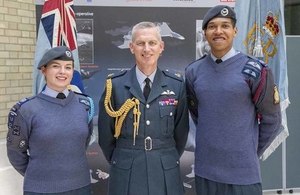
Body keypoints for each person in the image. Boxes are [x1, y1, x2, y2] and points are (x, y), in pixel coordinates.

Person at [185, 5, 282, 195]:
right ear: (204, 32)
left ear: (235, 31)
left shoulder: (255, 71)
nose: (218, 31)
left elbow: (272, 121)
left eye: (225, 26)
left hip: (243, 176)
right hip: (206, 174)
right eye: (212, 26)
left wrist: (247, 150)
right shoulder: (193, 72)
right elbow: (199, 115)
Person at [98, 21, 189, 195]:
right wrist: (123, 158)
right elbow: (105, 136)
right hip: (127, 170)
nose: (146, 49)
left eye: (152, 43)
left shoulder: (176, 85)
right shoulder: (115, 85)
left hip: (164, 169)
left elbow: (181, 133)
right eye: (140, 43)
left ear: (161, 47)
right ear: (131, 47)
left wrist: (165, 156)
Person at [6, 46, 94, 195]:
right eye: (55, 66)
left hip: (81, 187)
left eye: (68, 67)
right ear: (44, 70)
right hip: (40, 189)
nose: (62, 72)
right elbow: (15, 152)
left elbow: (82, 143)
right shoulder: (26, 109)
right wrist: (40, 175)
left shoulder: (84, 105)